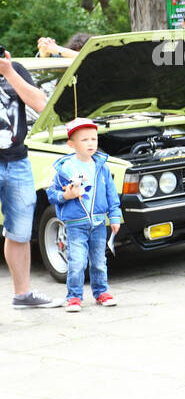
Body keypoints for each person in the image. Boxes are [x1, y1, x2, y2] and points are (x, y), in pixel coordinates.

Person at [0, 47, 58, 308]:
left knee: (20, 232)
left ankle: (22, 295)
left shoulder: (16, 71)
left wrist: (10, 72)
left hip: (18, 161)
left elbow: (40, 104)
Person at [45, 118, 121, 311]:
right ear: (71, 144)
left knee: (98, 261)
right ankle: (74, 297)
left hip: (97, 223)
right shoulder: (65, 168)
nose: (90, 144)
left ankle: (101, 292)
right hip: (75, 224)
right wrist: (66, 195)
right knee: (77, 262)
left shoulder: (101, 167)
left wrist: (114, 216)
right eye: (84, 140)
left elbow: (111, 193)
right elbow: (51, 193)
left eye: (93, 139)